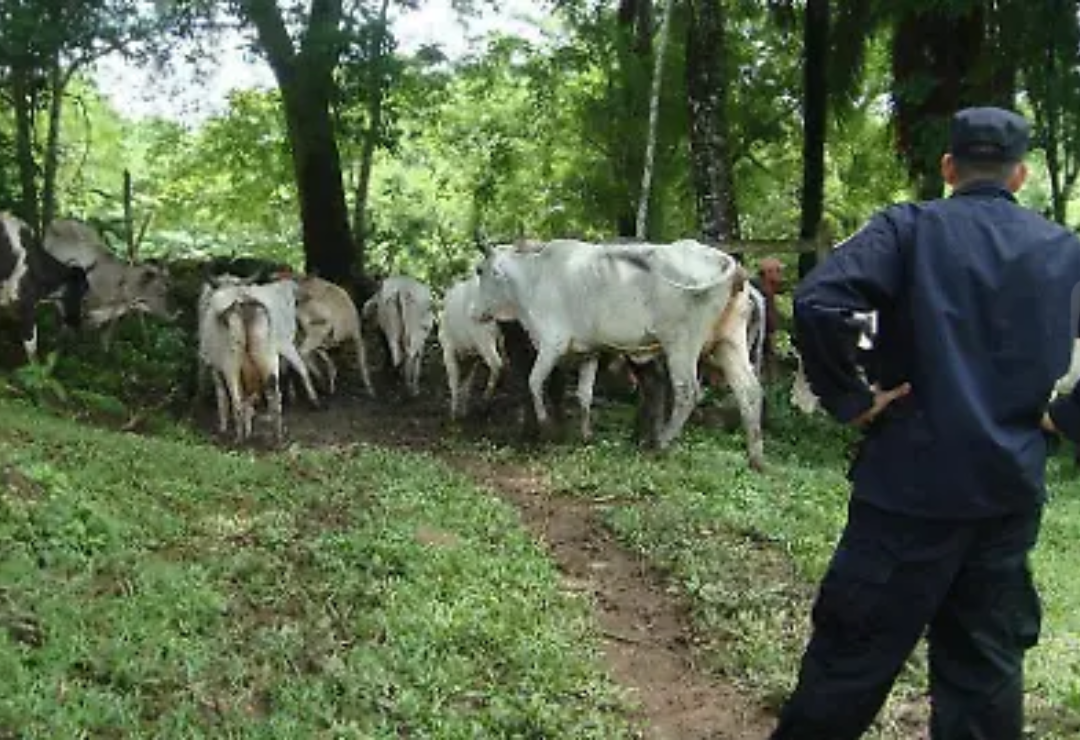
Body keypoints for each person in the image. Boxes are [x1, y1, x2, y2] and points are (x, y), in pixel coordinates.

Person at [772, 106, 1080, 739]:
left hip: (906, 492)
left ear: (948, 167)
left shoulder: (907, 229)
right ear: (1021, 176)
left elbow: (818, 300)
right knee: (985, 678)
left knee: (849, 663)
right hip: (1005, 495)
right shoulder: (1063, 251)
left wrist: (854, 398)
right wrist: (1066, 417)